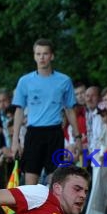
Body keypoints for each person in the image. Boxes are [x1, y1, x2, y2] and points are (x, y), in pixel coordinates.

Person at [11, 38, 82, 186]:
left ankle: (51, 210)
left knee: (54, 181)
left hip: (54, 133)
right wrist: (15, 140)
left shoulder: (64, 80)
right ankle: (31, 210)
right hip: (33, 133)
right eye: (38, 54)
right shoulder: (25, 81)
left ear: (52, 56)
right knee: (30, 182)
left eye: (45, 54)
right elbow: (19, 110)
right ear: (34, 56)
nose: (41, 57)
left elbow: (70, 110)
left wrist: (78, 137)